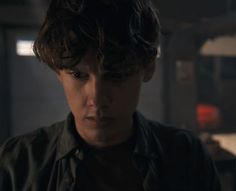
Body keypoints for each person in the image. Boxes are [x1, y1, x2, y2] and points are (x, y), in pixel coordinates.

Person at [0, 0, 221, 190]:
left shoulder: (187, 158)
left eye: (115, 75)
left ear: (147, 68)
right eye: (78, 74)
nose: (96, 98)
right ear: (59, 72)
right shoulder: (17, 164)